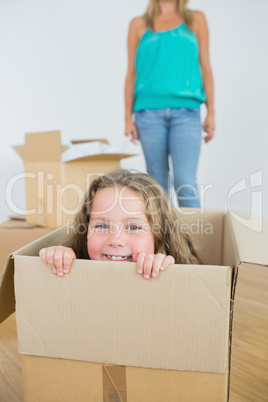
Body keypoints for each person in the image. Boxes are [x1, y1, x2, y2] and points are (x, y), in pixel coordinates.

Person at [124, 0, 215, 208]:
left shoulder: (196, 19)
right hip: (148, 114)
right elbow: (131, 74)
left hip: (187, 113)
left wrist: (211, 112)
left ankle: (193, 239)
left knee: (185, 182)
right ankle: (161, 240)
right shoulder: (138, 24)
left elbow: (206, 69)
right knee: (156, 185)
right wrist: (127, 118)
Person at [40, 169, 203, 279]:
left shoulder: (172, 266)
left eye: (134, 227)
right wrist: (58, 258)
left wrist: (171, 273)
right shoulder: (75, 263)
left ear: (159, 236)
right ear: (85, 233)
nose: (116, 240)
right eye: (102, 226)